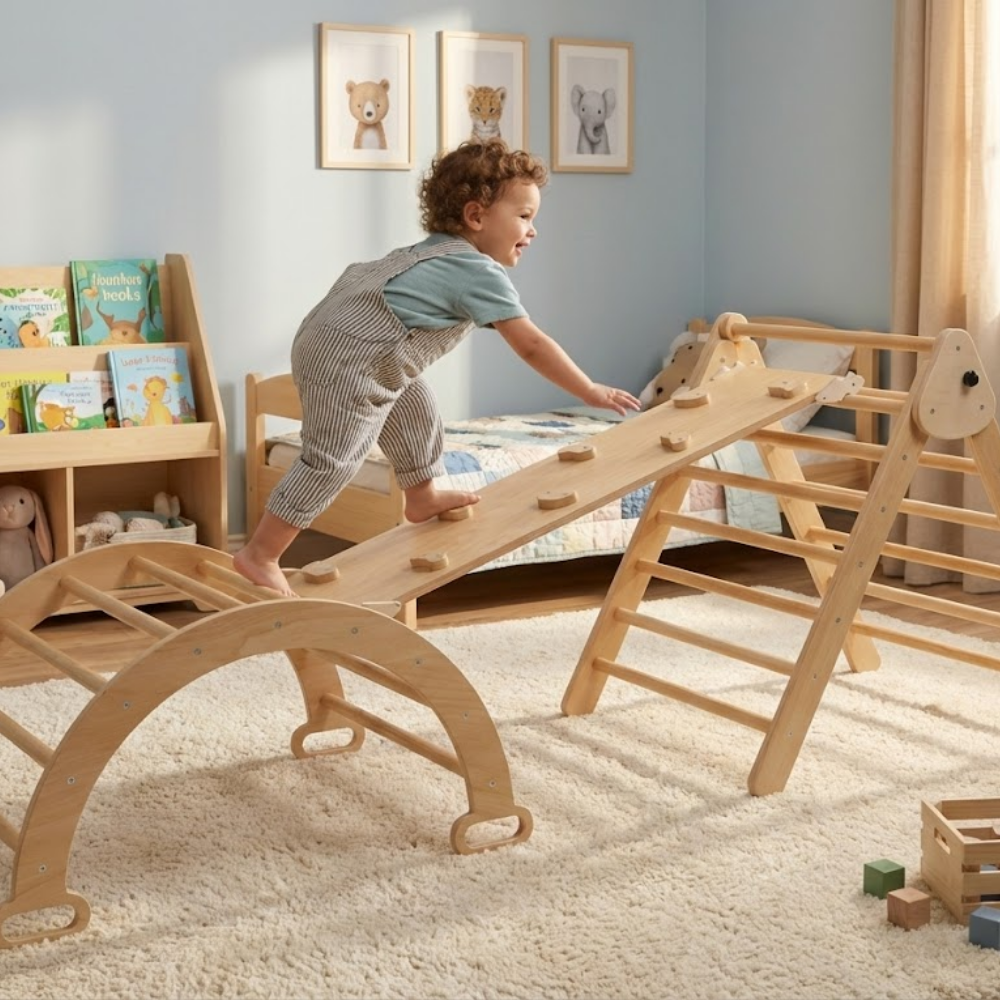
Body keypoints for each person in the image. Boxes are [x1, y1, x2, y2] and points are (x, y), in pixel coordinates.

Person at [234, 140, 641, 596]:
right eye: (524, 216)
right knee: (333, 458)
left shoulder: (426, 253)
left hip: (341, 346)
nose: (533, 230)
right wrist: (588, 390)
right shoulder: (478, 272)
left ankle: (421, 495)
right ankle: (261, 554)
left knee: (415, 406)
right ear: (476, 216)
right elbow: (530, 344)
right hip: (353, 357)